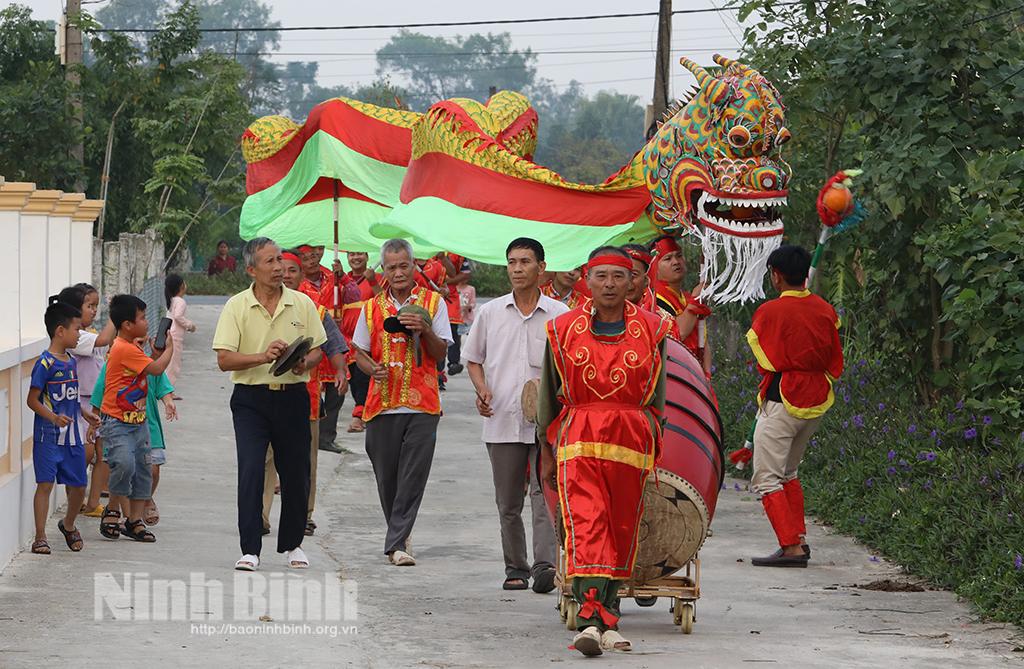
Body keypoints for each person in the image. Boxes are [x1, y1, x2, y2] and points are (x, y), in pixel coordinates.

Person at [536, 246, 671, 656]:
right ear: (586, 280)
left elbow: (658, 399)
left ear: (632, 281)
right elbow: (548, 394)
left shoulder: (654, 328)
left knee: (620, 526)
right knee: (588, 525)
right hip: (579, 435)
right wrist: (547, 440)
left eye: (618, 276)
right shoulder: (561, 330)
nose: (610, 284)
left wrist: (653, 432)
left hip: (630, 438)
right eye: (601, 276)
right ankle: (591, 619)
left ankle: (609, 613)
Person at [213, 237, 327, 571]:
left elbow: (319, 348)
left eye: (280, 260)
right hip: (251, 399)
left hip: (293, 396)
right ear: (251, 269)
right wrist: (263, 357)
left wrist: (303, 363)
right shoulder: (236, 306)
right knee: (250, 469)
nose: (278, 268)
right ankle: (250, 548)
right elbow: (224, 359)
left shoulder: (302, 303)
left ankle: (293, 544)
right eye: (270, 262)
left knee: (296, 472)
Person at [464, 237, 565, 592]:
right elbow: (473, 358)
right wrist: (481, 389)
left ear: (542, 267)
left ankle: (544, 567)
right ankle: (515, 568)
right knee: (508, 501)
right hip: (502, 418)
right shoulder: (491, 313)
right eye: (512, 262)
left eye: (525, 262)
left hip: (548, 424)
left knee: (544, 495)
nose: (517, 269)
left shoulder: (561, 315)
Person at [352, 238, 452, 567]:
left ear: (414, 267)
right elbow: (359, 353)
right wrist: (372, 369)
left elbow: (440, 357)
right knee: (387, 477)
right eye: (391, 267)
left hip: (422, 404)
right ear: (384, 270)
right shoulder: (370, 307)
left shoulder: (434, 303)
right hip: (381, 404)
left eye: (403, 266)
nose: (398, 272)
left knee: (413, 475)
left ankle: (395, 544)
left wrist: (424, 330)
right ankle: (400, 533)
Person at [746, 245, 843, 567]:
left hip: (782, 399)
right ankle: (798, 538)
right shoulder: (825, 309)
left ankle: (790, 547)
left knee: (766, 478)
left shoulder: (771, 312)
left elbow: (766, 359)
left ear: (776, 275)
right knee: (788, 473)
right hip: (816, 398)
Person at [262, 250, 349, 538]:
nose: (285, 275)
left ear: (302, 277)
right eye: (281, 269)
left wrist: (339, 371)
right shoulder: (261, 307)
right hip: (264, 394)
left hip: (306, 398)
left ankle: (305, 515)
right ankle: (261, 515)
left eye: (292, 271)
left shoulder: (315, 310)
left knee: (304, 461)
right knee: (265, 459)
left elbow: (334, 345)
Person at [97, 294, 173, 543]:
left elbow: (149, 369)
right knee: (124, 464)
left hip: (137, 421)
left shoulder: (132, 349)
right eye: (142, 318)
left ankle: (134, 521)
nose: (147, 322)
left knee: (143, 471)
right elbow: (157, 369)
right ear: (128, 325)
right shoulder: (122, 348)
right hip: (117, 422)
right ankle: (114, 508)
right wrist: (169, 349)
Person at [26, 298, 92, 554]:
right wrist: (52, 418)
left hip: (73, 436)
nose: (80, 334)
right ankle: (40, 536)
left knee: (78, 485)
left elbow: (72, 399)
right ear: (60, 331)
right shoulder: (44, 364)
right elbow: (32, 400)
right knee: (45, 484)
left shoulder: (72, 362)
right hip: (48, 436)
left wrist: (85, 414)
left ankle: (68, 524)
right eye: (77, 329)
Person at [91, 355, 176, 527]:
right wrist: (94, 421)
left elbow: (164, 388)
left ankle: (145, 498)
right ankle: (131, 518)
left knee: (153, 470)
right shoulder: (112, 364)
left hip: (148, 427)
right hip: (120, 427)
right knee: (125, 469)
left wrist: (169, 402)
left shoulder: (150, 365)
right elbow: (99, 393)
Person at [58, 284, 115, 518]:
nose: (93, 310)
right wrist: (116, 315)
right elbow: (103, 341)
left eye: (96, 306)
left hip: (98, 399)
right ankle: (76, 499)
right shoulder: (78, 337)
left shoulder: (88, 333)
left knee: (103, 453)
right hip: (80, 402)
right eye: (89, 306)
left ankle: (93, 503)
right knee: (86, 453)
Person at [648, 235, 711, 370]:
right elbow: (677, 335)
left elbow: (704, 341)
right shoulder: (653, 300)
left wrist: (706, 375)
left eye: (679, 256)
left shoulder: (686, 298)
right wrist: (696, 301)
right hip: (673, 375)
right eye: (667, 258)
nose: (676, 262)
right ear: (655, 267)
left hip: (695, 375)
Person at [337, 251, 380, 434]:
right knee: (354, 377)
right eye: (352, 255)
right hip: (347, 337)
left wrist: (372, 282)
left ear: (367, 257)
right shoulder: (340, 281)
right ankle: (363, 409)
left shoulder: (376, 278)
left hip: (370, 334)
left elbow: (385, 300)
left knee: (364, 376)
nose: (356, 258)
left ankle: (359, 415)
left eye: (360, 254)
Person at [441, 252, 472, 376]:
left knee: (452, 331)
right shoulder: (426, 249)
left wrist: (449, 280)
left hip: (450, 297)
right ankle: (438, 371)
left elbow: (466, 274)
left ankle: (454, 362)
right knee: (435, 334)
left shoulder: (457, 251)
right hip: (430, 296)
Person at [164, 274, 196, 389]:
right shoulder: (180, 301)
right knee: (174, 365)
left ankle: (166, 387)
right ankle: (169, 389)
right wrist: (190, 325)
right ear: (181, 286)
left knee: (169, 363)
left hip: (169, 335)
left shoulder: (171, 301)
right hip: (175, 337)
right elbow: (178, 316)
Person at [621, 244, 656, 311]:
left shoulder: (660, 318)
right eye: (620, 275)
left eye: (633, 275)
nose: (627, 282)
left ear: (646, 280)